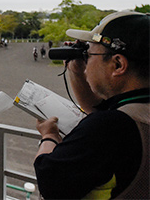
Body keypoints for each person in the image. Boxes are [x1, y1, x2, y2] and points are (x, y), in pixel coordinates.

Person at [34, 11, 149, 199]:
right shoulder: (133, 112)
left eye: (89, 54)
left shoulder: (109, 127)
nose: (86, 61)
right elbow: (97, 108)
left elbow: (49, 181)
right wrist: (77, 71)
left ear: (118, 64)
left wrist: (49, 136)